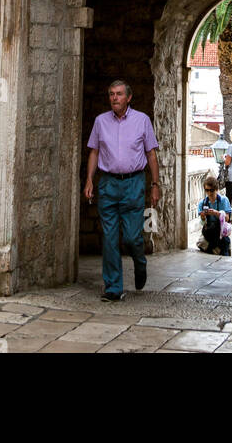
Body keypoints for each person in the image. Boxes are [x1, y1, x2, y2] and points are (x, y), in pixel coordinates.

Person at [84, 79, 160, 302]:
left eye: (118, 94)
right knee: (109, 238)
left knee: (132, 237)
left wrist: (155, 185)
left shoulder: (142, 121)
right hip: (108, 183)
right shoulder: (100, 122)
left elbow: (151, 155)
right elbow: (94, 153)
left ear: (129, 98)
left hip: (134, 184)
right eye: (111, 94)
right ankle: (113, 287)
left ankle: (140, 261)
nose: (114, 98)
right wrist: (89, 180)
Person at [197, 174, 232, 256]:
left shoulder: (223, 200)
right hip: (209, 230)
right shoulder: (202, 203)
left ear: (216, 189)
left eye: (211, 190)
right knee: (203, 243)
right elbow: (202, 223)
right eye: (207, 190)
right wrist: (203, 217)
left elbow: (227, 218)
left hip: (220, 229)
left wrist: (216, 213)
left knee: (222, 245)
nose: (209, 193)